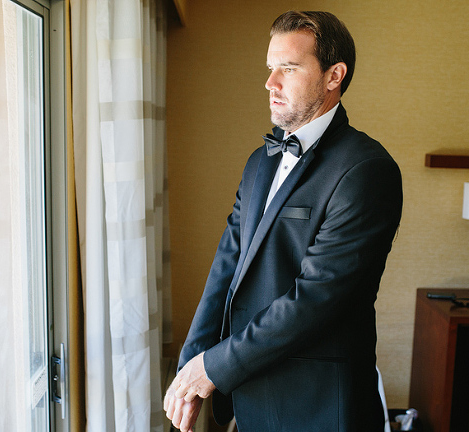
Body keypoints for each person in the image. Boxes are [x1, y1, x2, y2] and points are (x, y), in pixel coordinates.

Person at [164, 11, 402, 432]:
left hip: (318, 405)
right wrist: (191, 367)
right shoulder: (259, 163)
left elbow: (316, 299)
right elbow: (227, 266)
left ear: (334, 76)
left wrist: (215, 367)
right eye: (270, 68)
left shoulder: (367, 169)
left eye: (288, 68)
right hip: (250, 393)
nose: (271, 82)